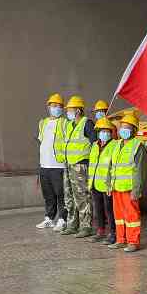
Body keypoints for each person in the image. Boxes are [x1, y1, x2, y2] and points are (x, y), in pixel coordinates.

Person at [59, 95, 97, 237]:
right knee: (69, 196)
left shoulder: (87, 124)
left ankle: (86, 226)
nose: (68, 112)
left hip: (81, 166)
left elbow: (94, 145)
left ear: (79, 110)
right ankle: (72, 224)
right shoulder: (70, 125)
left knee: (82, 196)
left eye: (70, 109)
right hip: (68, 165)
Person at [106, 112, 145, 252]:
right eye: (122, 127)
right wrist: (108, 184)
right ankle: (121, 240)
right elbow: (111, 166)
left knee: (132, 216)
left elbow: (139, 170)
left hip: (129, 188)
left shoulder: (137, 146)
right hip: (116, 187)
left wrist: (136, 189)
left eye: (127, 128)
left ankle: (133, 242)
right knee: (119, 216)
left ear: (133, 130)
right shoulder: (117, 145)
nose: (123, 130)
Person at [36, 93, 68, 231]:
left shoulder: (65, 123)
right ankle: (49, 218)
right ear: (49, 107)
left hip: (58, 165)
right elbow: (41, 142)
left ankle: (62, 219)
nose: (56, 108)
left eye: (59, 106)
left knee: (61, 194)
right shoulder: (42, 123)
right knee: (48, 195)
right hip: (44, 165)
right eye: (54, 106)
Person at [87, 117, 117, 243]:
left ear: (110, 132)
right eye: (101, 131)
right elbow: (92, 164)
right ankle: (100, 230)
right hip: (95, 183)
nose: (103, 133)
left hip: (107, 184)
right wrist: (90, 182)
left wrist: (111, 183)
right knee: (98, 208)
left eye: (106, 131)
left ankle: (113, 233)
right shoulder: (95, 145)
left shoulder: (115, 145)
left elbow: (114, 166)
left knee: (109, 210)